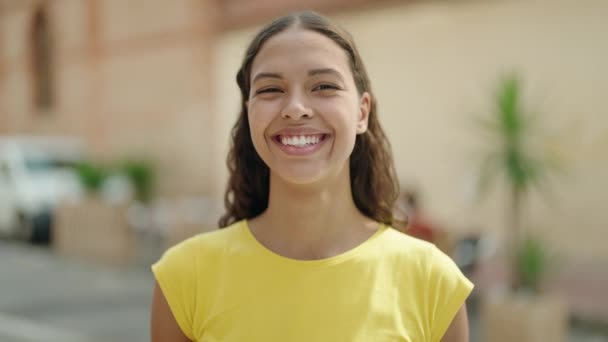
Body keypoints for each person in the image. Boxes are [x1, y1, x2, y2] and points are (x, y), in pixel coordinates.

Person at [150, 11, 473, 342]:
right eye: (271, 89)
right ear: (249, 112)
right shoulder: (185, 278)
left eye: (324, 86)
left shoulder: (433, 282)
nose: (295, 108)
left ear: (362, 112)